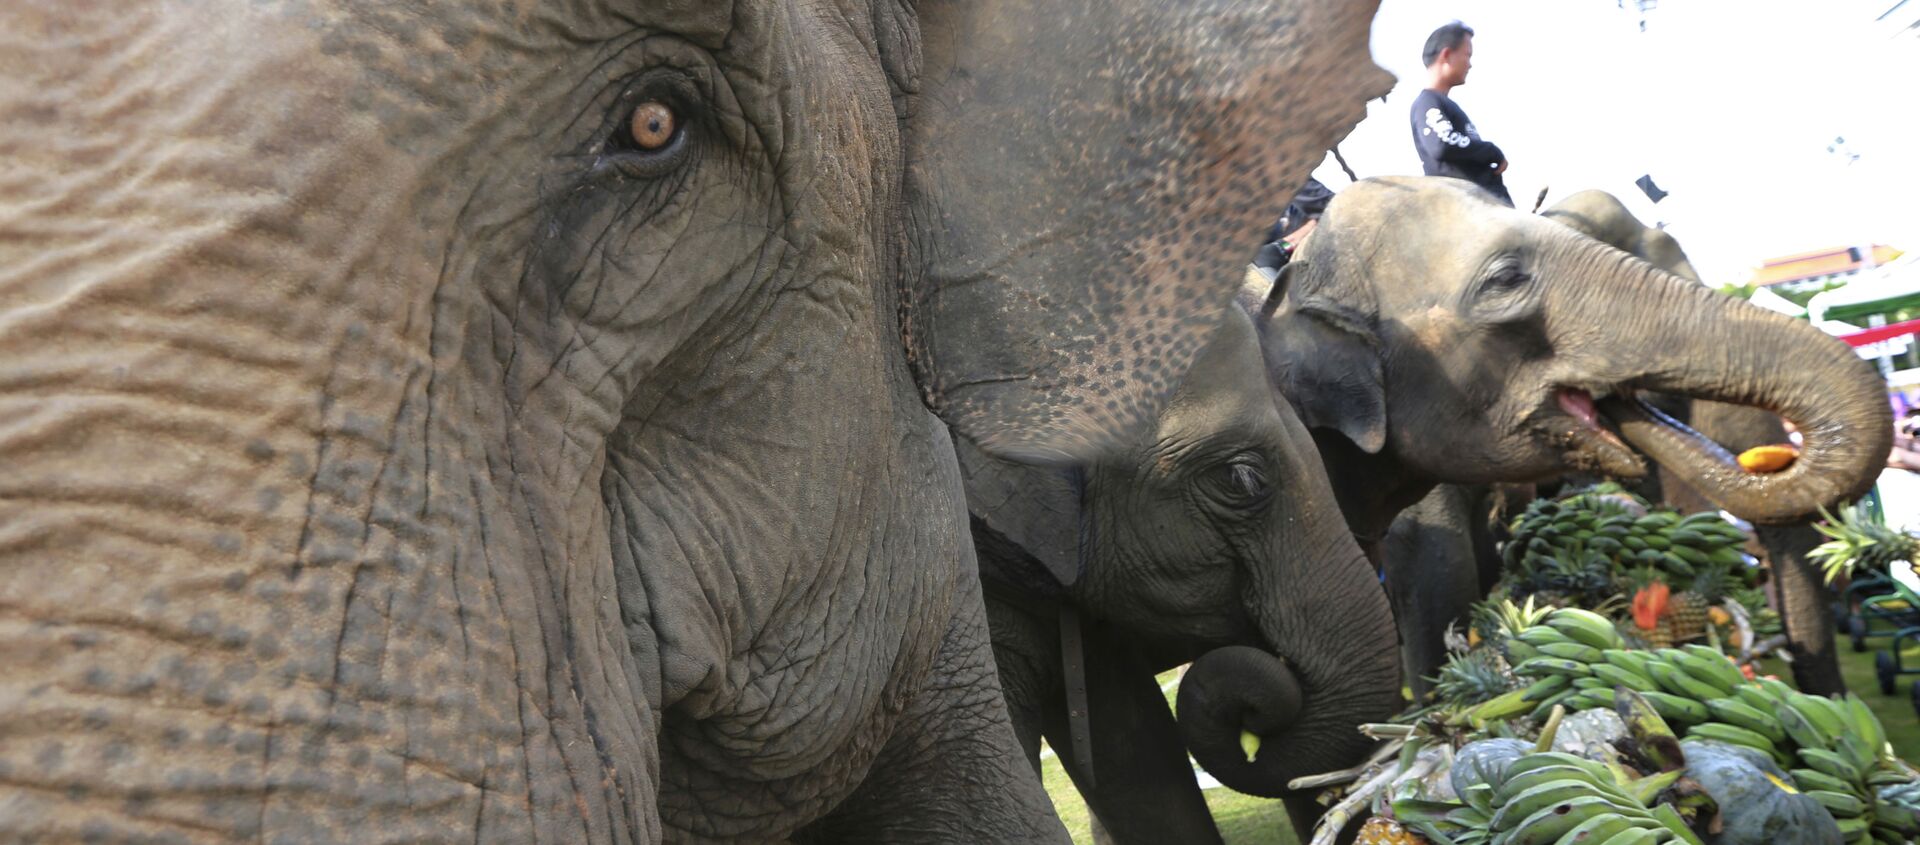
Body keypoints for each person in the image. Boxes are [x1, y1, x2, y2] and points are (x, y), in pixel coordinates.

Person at [1409, 21, 1513, 206]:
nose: (1470, 64)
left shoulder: (1445, 104)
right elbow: (1441, 144)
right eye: (1467, 55)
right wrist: (1490, 151)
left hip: (1488, 206)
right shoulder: (1428, 102)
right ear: (1447, 55)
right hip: (1465, 210)